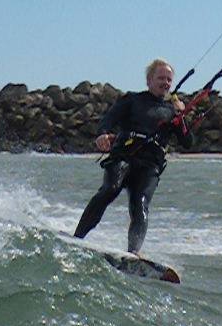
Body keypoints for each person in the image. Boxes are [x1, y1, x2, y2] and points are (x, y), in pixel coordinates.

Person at [73, 58, 195, 254]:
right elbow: (108, 120)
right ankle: (77, 238)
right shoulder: (132, 100)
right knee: (110, 190)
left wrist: (182, 118)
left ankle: (133, 254)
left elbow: (188, 142)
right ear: (149, 80)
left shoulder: (173, 111)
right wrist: (102, 134)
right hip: (124, 157)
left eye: (169, 80)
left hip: (150, 166)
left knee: (140, 205)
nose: (165, 83)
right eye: (161, 78)